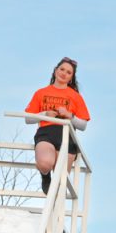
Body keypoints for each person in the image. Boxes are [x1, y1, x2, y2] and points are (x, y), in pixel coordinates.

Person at [24, 58, 90, 195]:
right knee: (44, 163)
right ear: (55, 70)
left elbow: (83, 125)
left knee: (60, 180)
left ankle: (54, 211)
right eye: (62, 69)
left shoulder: (76, 96)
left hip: (66, 136)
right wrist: (44, 114)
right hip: (46, 133)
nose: (64, 73)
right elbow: (28, 118)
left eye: (69, 72)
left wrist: (69, 116)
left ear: (71, 78)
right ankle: (45, 176)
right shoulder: (41, 92)